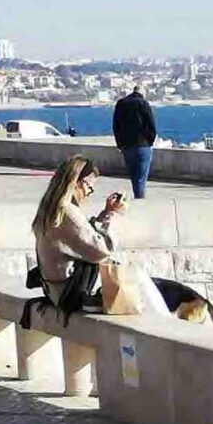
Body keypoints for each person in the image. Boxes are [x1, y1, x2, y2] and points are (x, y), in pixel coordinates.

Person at [29, 155, 123, 320]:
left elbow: (84, 236)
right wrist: (112, 215)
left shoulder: (50, 208)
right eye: (89, 187)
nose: (88, 193)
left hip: (54, 291)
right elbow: (102, 250)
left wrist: (105, 213)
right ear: (78, 182)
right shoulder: (67, 212)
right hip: (69, 295)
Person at [111, 86, 158, 201]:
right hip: (142, 145)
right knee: (141, 178)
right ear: (143, 92)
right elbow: (151, 125)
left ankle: (138, 196)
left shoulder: (121, 104)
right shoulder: (143, 103)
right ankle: (139, 200)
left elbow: (115, 126)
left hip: (126, 146)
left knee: (133, 175)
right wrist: (150, 142)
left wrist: (120, 143)